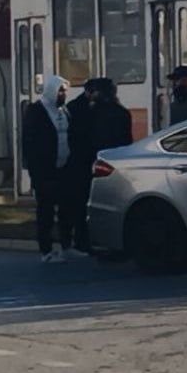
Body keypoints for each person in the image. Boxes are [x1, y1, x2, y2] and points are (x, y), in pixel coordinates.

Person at [68, 78, 133, 252]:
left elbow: (78, 138)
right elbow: (126, 142)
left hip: (87, 164)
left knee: (84, 204)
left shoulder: (88, 112)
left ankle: (84, 240)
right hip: (113, 165)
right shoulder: (122, 113)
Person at [22, 75, 82, 262]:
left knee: (67, 208)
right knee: (46, 210)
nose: (63, 94)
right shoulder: (36, 111)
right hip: (45, 171)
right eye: (60, 90)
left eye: (65, 90)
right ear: (50, 91)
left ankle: (66, 245)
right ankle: (46, 251)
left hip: (65, 169)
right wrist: (33, 169)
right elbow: (29, 142)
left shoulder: (64, 111)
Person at [66, 78, 105, 252]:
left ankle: (84, 238)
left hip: (84, 161)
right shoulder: (77, 108)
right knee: (81, 203)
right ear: (91, 91)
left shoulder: (80, 107)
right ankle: (81, 240)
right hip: (81, 162)